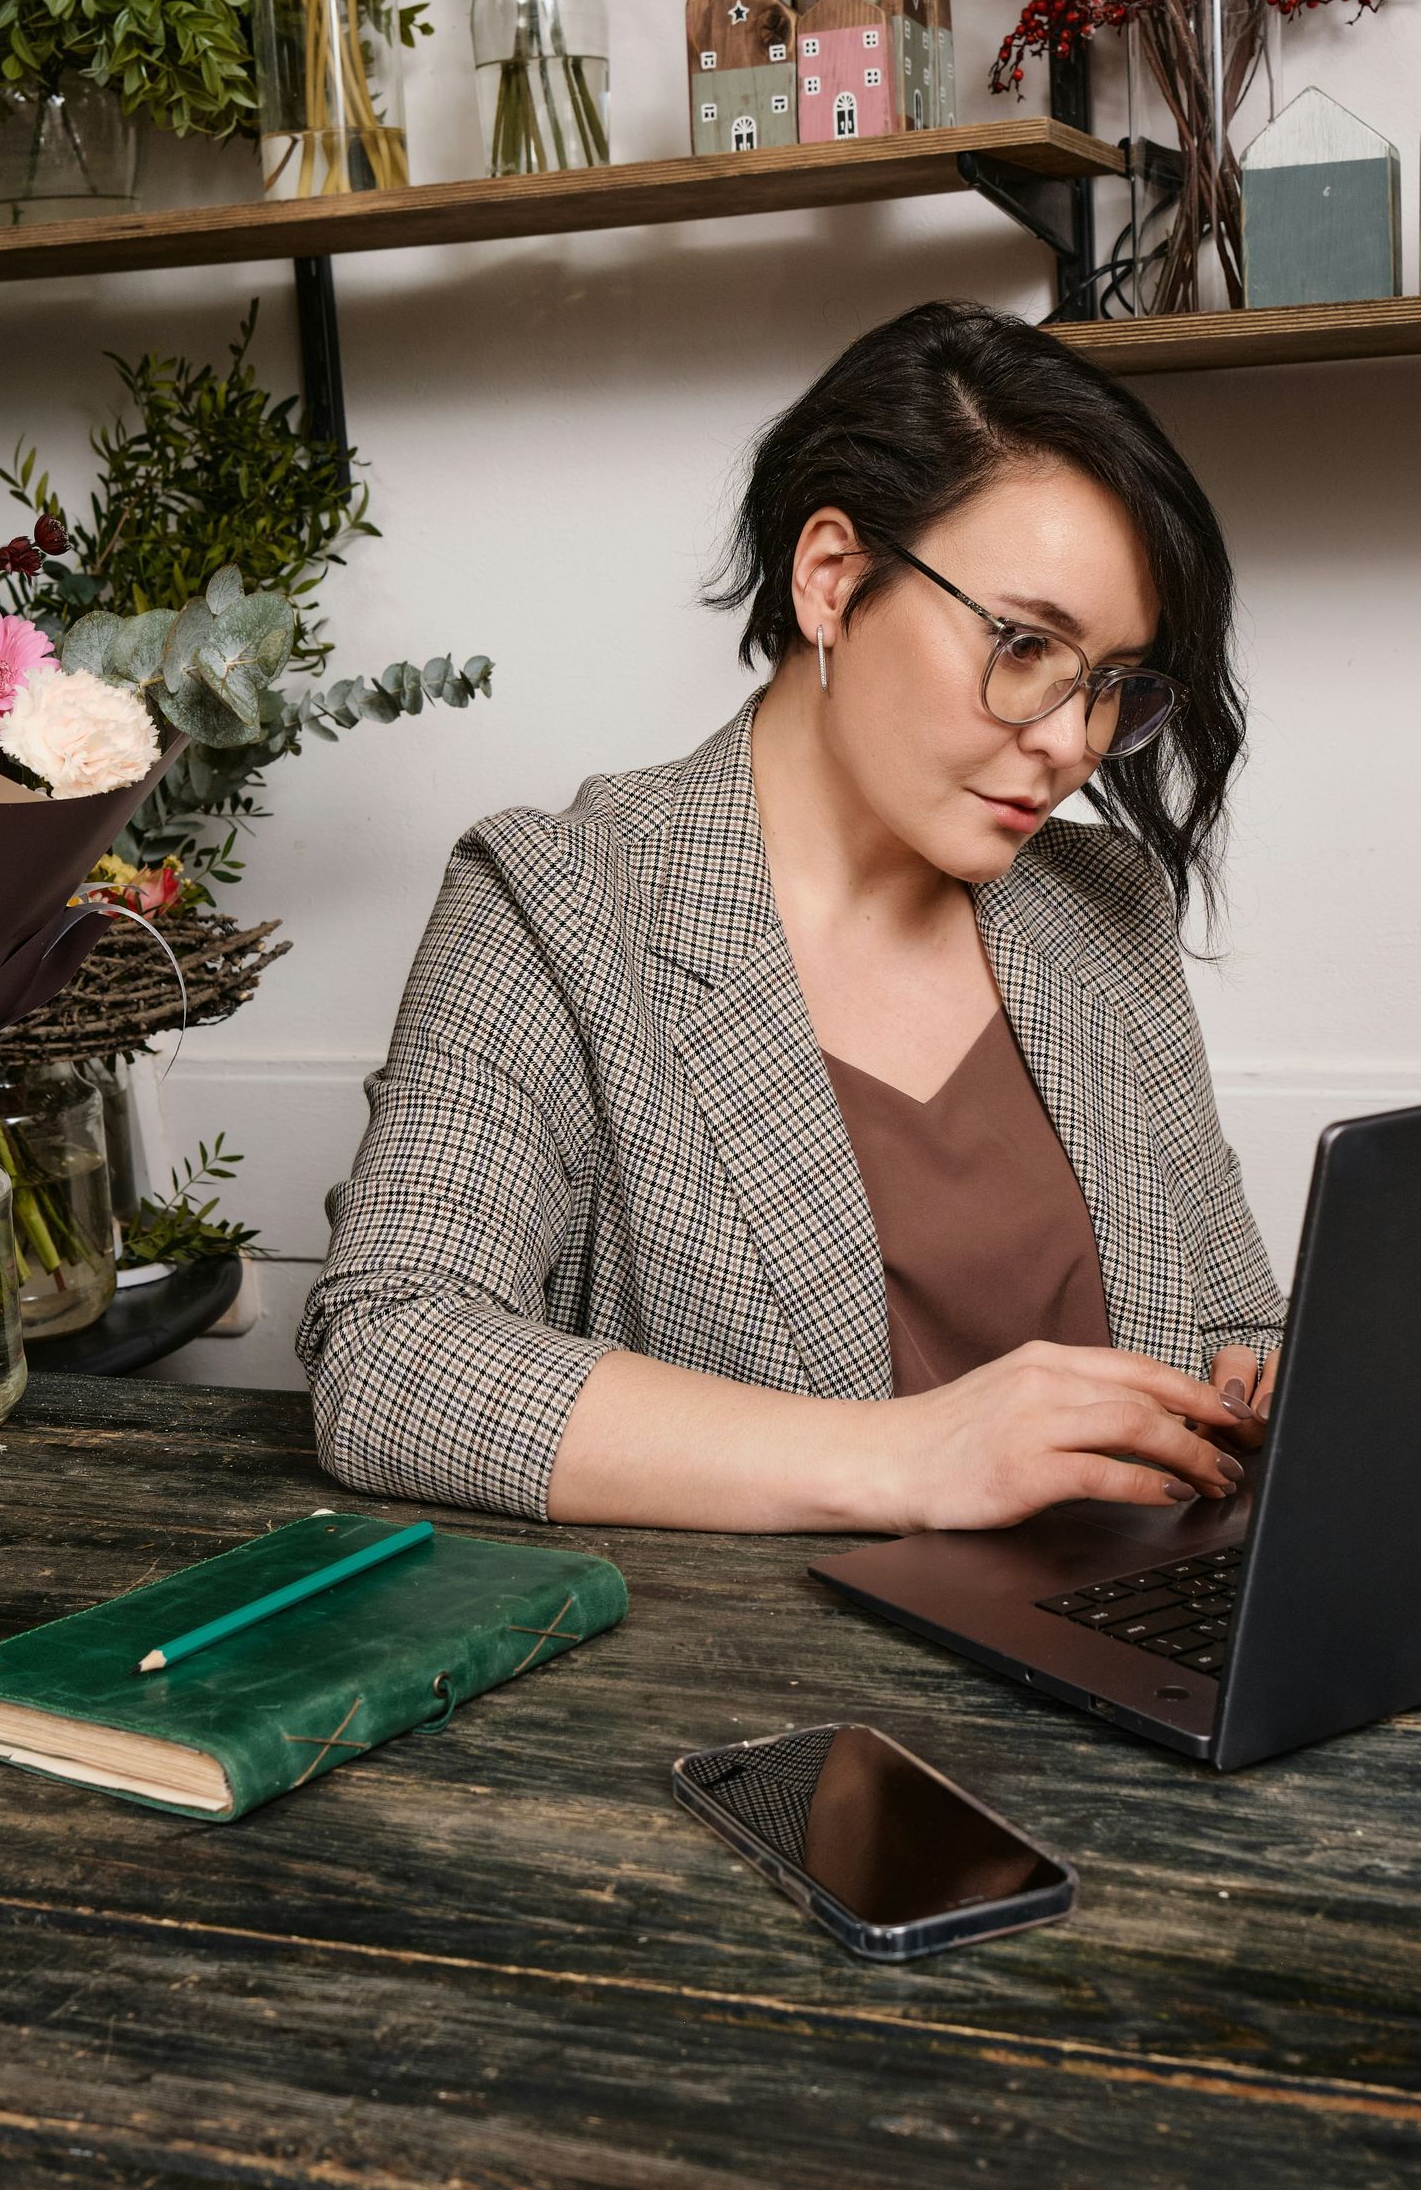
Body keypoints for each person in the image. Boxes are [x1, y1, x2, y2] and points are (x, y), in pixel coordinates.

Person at [299, 301, 1284, 1535]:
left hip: (1137, 1662)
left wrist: (1264, 1379)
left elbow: (1237, 1324)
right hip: (777, 1704)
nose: (1071, 742)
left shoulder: (1103, 909)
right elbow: (390, 1356)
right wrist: (909, 1457)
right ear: (832, 579)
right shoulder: (556, 901)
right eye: (1026, 644)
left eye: (1111, 684)